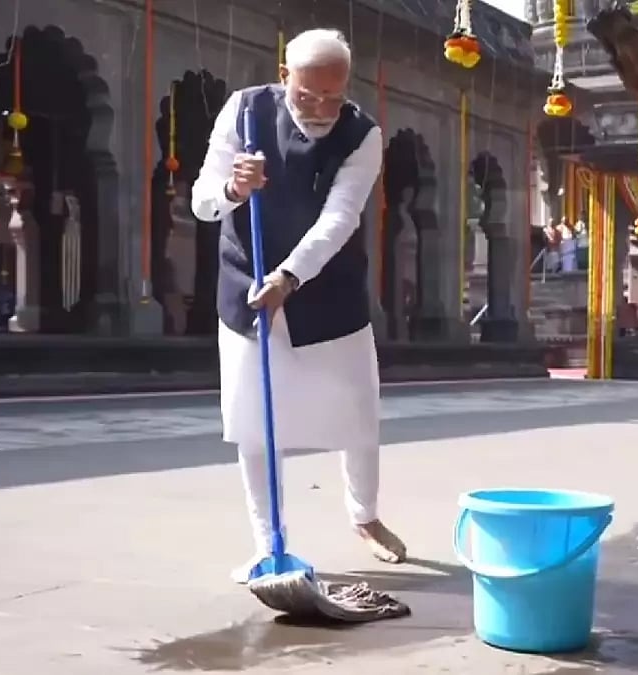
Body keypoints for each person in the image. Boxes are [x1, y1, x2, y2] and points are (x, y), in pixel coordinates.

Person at [190, 28, 407, 584]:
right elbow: (202, 201)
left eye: (332, 98)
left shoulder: (364, 134)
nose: (319, 110)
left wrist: (290, 276)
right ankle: (269, 544)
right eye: (307, 96)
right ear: (284, 76)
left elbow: (340, 217)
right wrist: (235, 191)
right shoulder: (244, 111)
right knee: (254, 424)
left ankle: (365, 515)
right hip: (247, 281)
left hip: (326, 288)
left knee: (357, 413)